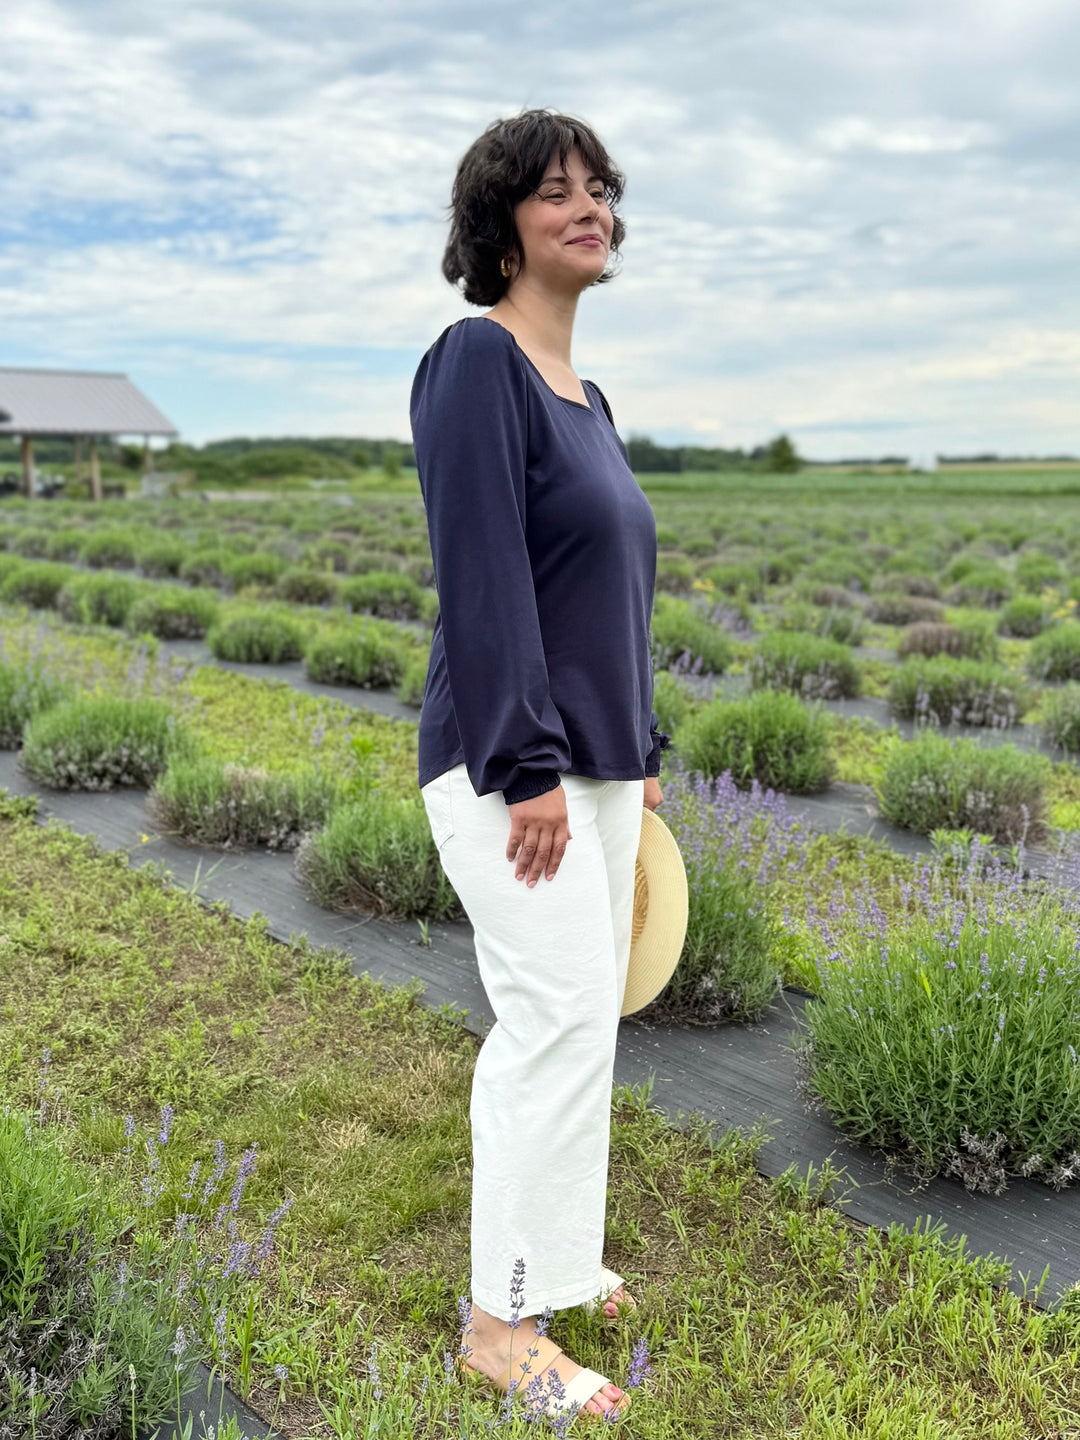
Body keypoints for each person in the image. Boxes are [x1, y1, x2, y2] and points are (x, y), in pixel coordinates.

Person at [412, 108, 670, 1422]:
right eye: (558, 191)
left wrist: (643, 753)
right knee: (550, 1023)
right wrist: (525, 768)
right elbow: (485, 575)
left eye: (603, 191)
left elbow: (603, 593)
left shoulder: (594, 399)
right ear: (500, 226)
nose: (592, 208)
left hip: (599, 766)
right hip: (514, 768)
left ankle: (559, 1260)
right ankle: (499, 1324)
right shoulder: (477, 365)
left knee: (589, 1023)